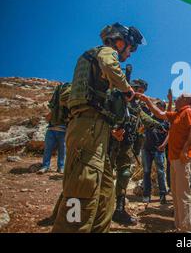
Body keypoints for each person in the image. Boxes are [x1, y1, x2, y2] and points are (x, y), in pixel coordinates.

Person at [52, 22, 145, 233]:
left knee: (105, 192)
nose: (130, 55)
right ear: (120, 42)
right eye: (131, 49)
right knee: (82, 189)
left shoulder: (95, 60)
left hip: (98, 128)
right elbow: (108, 64)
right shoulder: (106, 52)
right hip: (88, 129)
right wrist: (127, 89)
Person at [137, 92, 191, 233]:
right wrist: (147, 100)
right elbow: (159, 113)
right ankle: (180, 226)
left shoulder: (188, 111)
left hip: (185, 157)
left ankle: (188, 230)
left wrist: (184, 150)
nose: (175, 100)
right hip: (176, 158)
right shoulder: (176, 114)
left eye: (178, 98)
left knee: (183, 194)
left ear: (185, 100)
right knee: (176, 193)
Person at [110, 79, 162, 226]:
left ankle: (119, 210)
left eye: (143, 92)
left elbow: (145, 119)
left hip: (126, 146)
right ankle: (98, 208)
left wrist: (159, 125)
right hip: (110, 143)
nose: (140, 94)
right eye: (139, 90)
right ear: (131, 87)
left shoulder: (137, 106)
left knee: (125, 174)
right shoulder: (116, 97)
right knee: (103, 174)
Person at [37, 82, 71, 174]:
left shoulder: (68, 107)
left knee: (61, 150)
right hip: (52, 129)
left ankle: (61, 167)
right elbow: (47, 118)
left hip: (62, 130)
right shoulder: (55, 107)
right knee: (49, 149)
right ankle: (45, 166)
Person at [141, 99, 169, 204]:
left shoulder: (166, 121)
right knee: (146, 172)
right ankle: (146, 195)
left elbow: (169, 134)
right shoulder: (149, 118)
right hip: (147, 149)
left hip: (159, 149)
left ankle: (162, 195)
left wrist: (163, 145)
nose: (156, 108)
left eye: (158, 107)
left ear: (162, 108)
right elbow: (142, 129)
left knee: (160, 172)